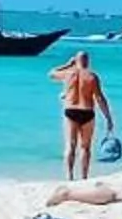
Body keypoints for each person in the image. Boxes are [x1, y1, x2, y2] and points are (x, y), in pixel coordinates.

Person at [48, 50, 114, 181]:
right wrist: (108, 118)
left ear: (76, 61)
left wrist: (67, 64)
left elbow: (51, 73)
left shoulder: (67, 74)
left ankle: (69, 176)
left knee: (70, 145)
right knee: (85, 147)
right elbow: (100, 98)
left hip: (71, 111)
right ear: (87, 61)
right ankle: (84, 177)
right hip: (87, 112)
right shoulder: (92, 76)